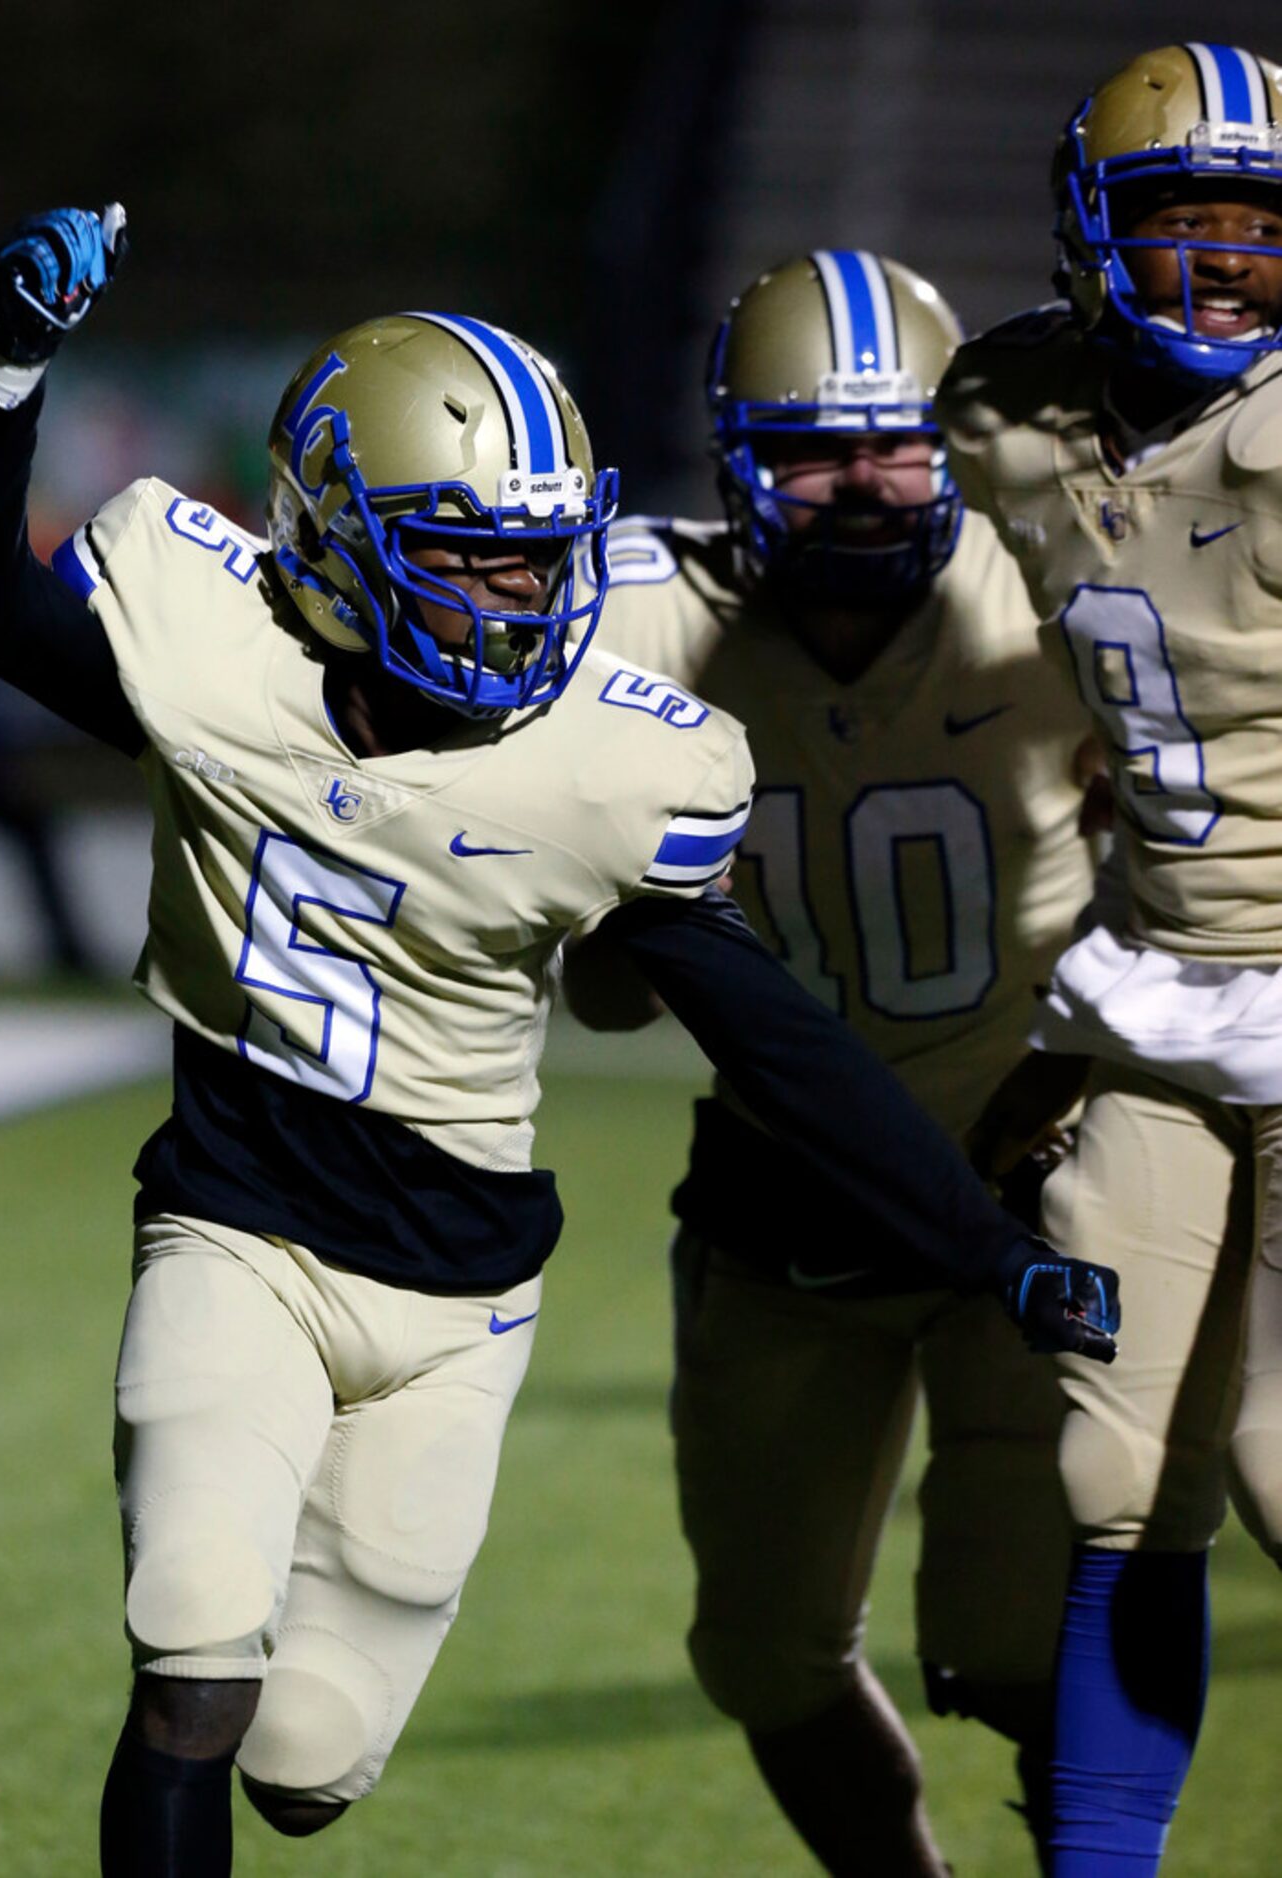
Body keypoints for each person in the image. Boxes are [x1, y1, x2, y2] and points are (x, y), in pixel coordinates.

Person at [0, 205, 1119, 1878]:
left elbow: (773, 1040)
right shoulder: (214, 658)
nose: (517, 597)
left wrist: (989, 1250)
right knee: (188, 1643)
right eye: (472, 554)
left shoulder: (610, 765)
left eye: (542, 556)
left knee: (307, 1758)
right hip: (235, 1222)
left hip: (456, 1294)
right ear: (333, 540)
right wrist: (12, 373)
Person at [564, 250, 1103, 1876]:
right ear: (735, 461)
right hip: (790, 1202)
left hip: (1035, 1180)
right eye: (813, 447)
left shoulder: (1061, 586)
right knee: (763, 1651)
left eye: (896, 441)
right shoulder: (646, 619)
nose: (862, 484)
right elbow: (599, 998)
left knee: (1019, 1637)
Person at [936, 41, 1282, 1875]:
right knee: (1113, 1476)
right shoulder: (1008, 412)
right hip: (1162, 984)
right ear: (1087, 231)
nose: (1230, 269)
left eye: (1263, 236)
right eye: (1184, 227)